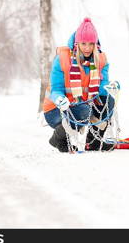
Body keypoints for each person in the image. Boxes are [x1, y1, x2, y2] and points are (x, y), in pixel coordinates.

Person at [43, 18, 117, 152]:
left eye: (91, 44)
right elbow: (56, 89)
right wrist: (59, 99)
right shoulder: (63, 58)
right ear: (77, 43)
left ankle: (94, 142)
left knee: (108, 102)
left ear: (96, 44)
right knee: (83, 110)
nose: (87, 48)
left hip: (81, 105)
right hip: (56, 108)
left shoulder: (101, 60)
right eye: (83, 43)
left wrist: (108, 88)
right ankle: (58, 139)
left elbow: (102, 86)